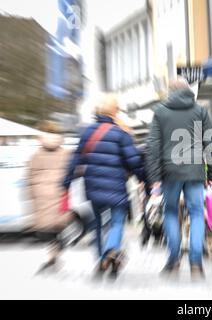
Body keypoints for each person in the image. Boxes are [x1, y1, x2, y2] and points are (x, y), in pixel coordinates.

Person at [62, 94, 144, 279]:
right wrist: (143, 178)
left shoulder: (87, 132)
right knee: (117, 223)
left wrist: (66, 183)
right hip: (116, 185)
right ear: (114, 111)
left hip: (92, 186)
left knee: (98, 225)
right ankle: (110, 251)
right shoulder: (121, 134)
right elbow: (133, 161)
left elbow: (75, 160)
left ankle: (101, 262)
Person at [146, 77, 212, 279]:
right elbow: (210, 143)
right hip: (194, 171)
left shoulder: (160, 112)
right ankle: (196, 263)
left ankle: (173, 260)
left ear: (170, 91)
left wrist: (154, 177)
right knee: (196, 212)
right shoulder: (199, 111)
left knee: (170, 212)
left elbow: (153, 146)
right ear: (188, 90)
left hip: (170, 172)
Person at [28, 121, 72, 269]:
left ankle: (53, 253)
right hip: (61, 192)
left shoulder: (36, 155)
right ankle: (56, 250)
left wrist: (31, 193)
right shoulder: (66, 153)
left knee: (45, 229)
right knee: (59, 225)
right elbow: (73, 171)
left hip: (41, 194)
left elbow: (30, 176)